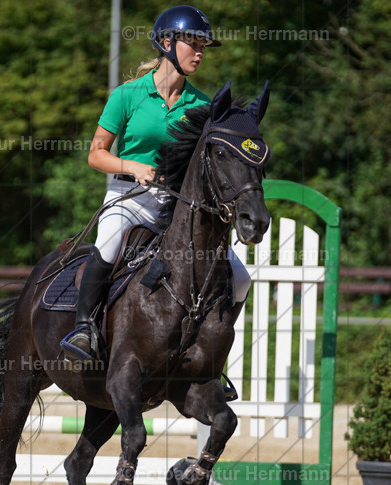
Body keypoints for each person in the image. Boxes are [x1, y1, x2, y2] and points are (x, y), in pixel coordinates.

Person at [60, 4, 252, 364]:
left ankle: (212, 355)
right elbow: (96, 154)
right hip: (129, 196)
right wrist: (133, 166)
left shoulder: (202, 104)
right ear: (166, 43)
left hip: (177, 205)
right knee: (108, 244)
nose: (200, 52)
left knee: (240, 278)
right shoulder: (127, 95)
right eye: (193, 43)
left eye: (203, 46)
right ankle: (84, 329)